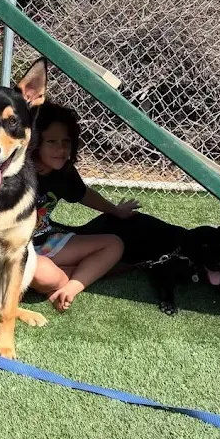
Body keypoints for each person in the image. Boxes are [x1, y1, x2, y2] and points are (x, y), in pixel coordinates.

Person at [29, 102, 140, 311]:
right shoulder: (18, 169)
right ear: (35, 142)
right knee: (37, 271)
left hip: (47, 240)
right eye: (51, 141)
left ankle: (69, 288)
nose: (61, 149)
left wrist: (116, 210)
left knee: (113, 244)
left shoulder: (64, 172)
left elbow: (83, 194)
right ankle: (73, 274)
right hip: (18, 251)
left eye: (66, 141)